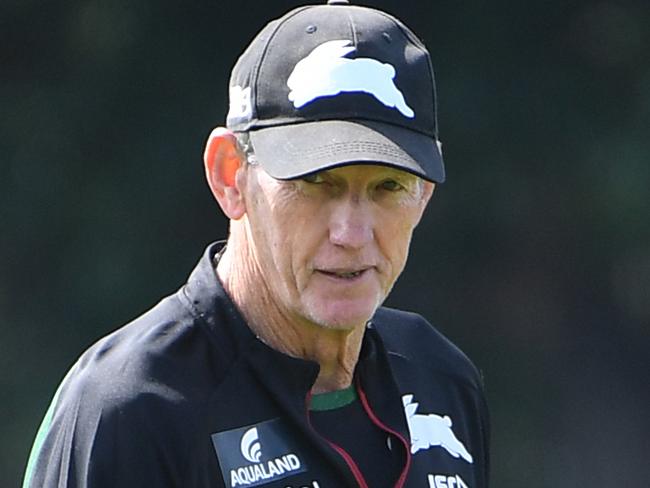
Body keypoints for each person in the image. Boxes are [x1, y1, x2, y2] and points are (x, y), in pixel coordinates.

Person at [23, 1, 489, 487]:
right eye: (315, 182)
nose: (351, 234)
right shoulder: (131, 409)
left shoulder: (442, 381)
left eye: (388, 187)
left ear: (424, 196)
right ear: (230, 176)